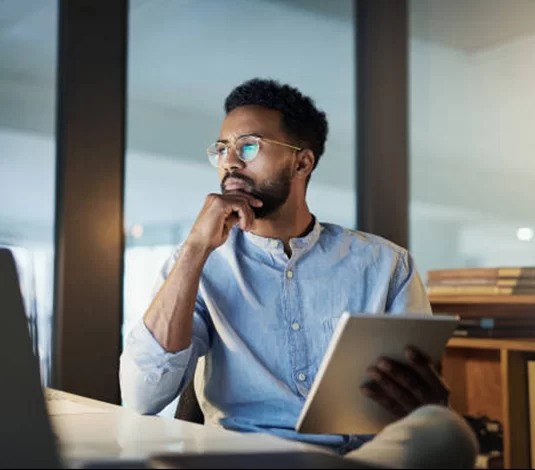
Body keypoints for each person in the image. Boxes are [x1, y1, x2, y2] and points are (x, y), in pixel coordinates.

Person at [119, 78, 478, 468]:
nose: (230, 161)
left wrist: (429, 405)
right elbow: (142, 396)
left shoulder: (386, 264)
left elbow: (418, 401)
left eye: (248, 146)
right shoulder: (200, 262)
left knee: (448, 431)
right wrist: (193, 249)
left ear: (302, 162)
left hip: (359, 455)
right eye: (222, 149)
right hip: (245, 457)